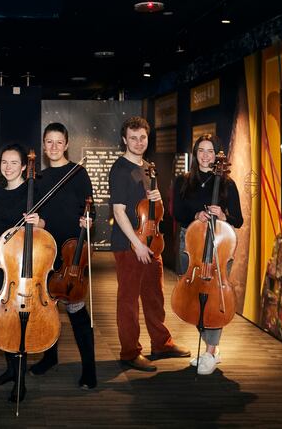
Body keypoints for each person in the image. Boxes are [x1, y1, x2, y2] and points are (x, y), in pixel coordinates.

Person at [109, 116, 191, 372]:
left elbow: (153, 212)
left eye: (142, 137)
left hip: (151, 243)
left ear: (147, 138)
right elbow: (119, 212)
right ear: (124, 140)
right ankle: (130, 352)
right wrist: (137, 245)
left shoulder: (147, 167)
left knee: (154, 297)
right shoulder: (120, 169)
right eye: (133, 137)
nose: (138, 142)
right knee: (129, 301)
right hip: (129, 245)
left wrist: (158, 199)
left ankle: (161, 343)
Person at [29, 123, 97, 390]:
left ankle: (89, 369)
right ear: (44, 145)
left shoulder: (78, 174)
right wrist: (37, 222)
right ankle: (50, 357)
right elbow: (39, 215)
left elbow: (91, 209)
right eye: (49, 142)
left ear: (67, 144)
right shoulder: (40, 178)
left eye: (59, 142)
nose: (54, 147)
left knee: (76, 311)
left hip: (73, 255)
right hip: (47, 252)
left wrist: (89, 222)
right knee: (48, 309)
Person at [0, 144, 43, 402]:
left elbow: (44, 225)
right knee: (3, 319)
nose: (8, 166)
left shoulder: (32, 191)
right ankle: (10, 370)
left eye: (14, 162)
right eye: (4, 161)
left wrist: (39, 221)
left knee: (20, 323)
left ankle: (21, 379)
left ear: (24, 166)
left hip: (21, 265)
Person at [173, 134, 243, 375]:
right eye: (201, 151)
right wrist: (195, 216)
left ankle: (211, 351)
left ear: (216, 155)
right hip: (190, 244)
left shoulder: (227, 184)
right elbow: (177, 213)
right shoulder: (182, 181)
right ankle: (211, 348)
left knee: (215, 298)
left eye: (210, 151)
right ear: (195, 154)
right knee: (193, 296)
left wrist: (223, 216)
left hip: (219, 248)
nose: (205, 155)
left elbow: (239, 220)